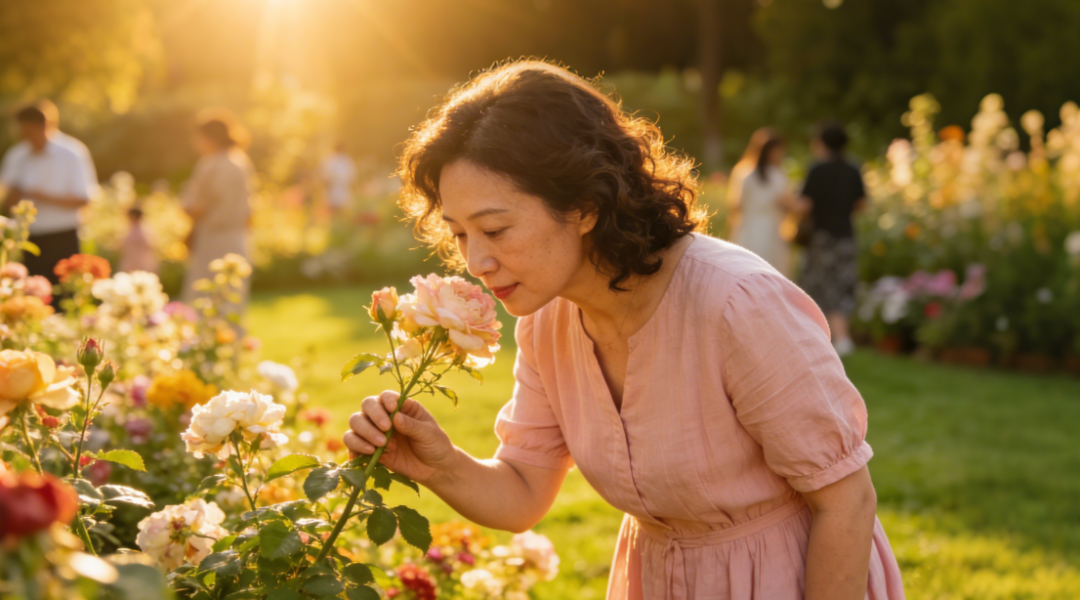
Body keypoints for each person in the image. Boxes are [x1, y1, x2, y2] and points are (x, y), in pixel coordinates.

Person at [343, 61, 904, 600]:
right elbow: (522, 494)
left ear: (584, 206)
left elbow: (846, 502)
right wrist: (440, 463)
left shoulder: (737, 303)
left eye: (495, 228)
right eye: (460, 233)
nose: (476, 262)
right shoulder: (547, 322)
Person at [0, 105, 94, 284]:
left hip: (63, 236)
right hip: (29, 237)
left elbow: (84, 198)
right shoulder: (17, 155)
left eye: (31, 133)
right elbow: (6, 200)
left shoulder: (71, 153)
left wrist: (41, 196)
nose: (28, 138)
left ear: (46, 126)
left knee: (64, 294)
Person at [797, 122, 867, 357]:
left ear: (822, 143)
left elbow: (805, 205)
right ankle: (841, 337)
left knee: (818, 283)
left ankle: (823, 335)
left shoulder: (817, 170)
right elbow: (861, 204)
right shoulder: (853, 169)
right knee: (843, 283)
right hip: (845, 235)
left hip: (822, 236)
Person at [180, 108, 253, 311]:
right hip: (238, 238)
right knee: (232, 298)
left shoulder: (210, 164)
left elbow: (195, 207)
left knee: (204, 297)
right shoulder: (241, 161)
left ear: (209, 138)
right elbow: (250, 210)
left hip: (212, 239)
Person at [727, 128, 805, 277]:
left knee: (748, 273)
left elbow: (735, 205)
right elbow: (788, 204)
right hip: (772, 231)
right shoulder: (777, 175)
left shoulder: (743, 172)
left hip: (747, 229)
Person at [119, 206, 158, 274]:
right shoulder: (131, 228)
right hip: (131, 260)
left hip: (141, 262)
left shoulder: (143, 230)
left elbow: (150, 245)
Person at [320, 142, 356, 215]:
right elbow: (324, 174)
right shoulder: (329, 160)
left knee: (342, 208)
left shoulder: (347, 160)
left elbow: (351, 175)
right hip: (331, 188)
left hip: (342, 188)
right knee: (331, 208)